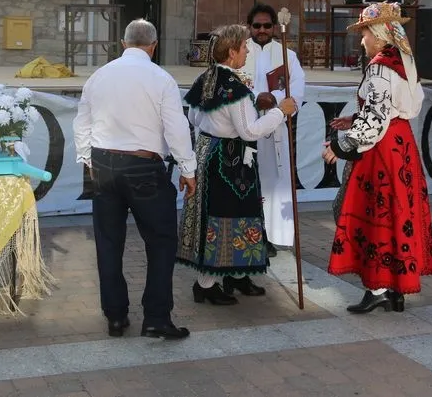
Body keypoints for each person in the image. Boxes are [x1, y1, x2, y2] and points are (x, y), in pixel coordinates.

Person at [73, 19, 197, 340]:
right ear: (153, 46)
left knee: (108, 242)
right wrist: (188, 169)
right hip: (143, 164)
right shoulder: (161, 78)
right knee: (161, 241)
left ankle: (115, 315)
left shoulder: (99, 76)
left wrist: (87, 159)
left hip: (103, 161)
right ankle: (156, 317)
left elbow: (82, 122)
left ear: (123, 44)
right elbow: (176, 128)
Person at [322, 2, 432, 314]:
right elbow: (396, 109)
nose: (362, 41)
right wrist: (355, 118)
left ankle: (377, 288)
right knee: (396, 216)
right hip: (401, 145)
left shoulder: (379, 67)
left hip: (380, 152)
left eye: (365, 34)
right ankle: (394, 289)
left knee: (368, 213)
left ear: (378, 34)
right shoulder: (403, 62)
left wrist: (340, 146)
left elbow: (374, 122)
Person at [178, 24, 297, 305]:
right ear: (231, 52)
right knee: (226, 216)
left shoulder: (206, 78)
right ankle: (207, 283)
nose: (247, 52)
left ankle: (236, 274)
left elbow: (193, 118)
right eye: (244, 47)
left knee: (217, 214)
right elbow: (249, 131)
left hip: (207, 152)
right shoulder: (235, 88)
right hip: (229, 162)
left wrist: (218, 122)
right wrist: (280, 112)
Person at [239, 3, 305, 257]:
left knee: (272, 184)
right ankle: (249, 234)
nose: (262, 30)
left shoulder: (287, 55)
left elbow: (297, 90)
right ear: (249, 27)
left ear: (275, 27)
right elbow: (236, 85)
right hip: (245, 127)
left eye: (267, 25)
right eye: (257, 25)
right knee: (248, 183)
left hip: (275, 129)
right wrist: (258, 97)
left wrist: (273, 99)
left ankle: (268, 234)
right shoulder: (240, 51)